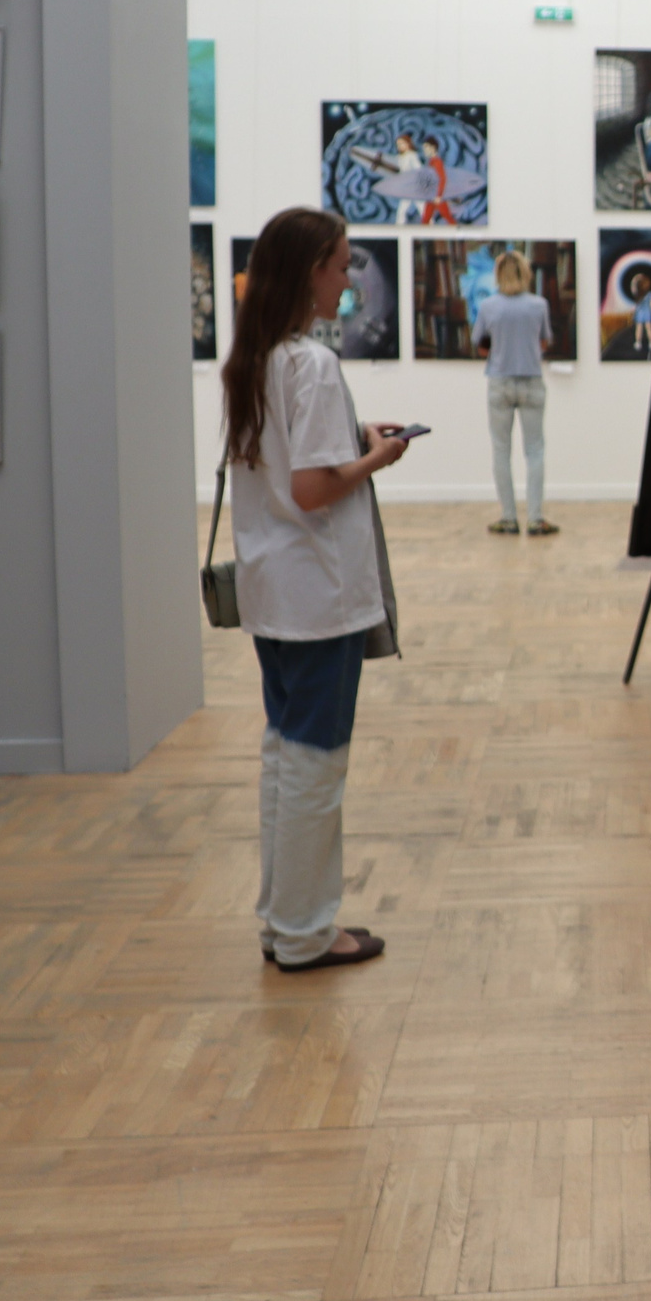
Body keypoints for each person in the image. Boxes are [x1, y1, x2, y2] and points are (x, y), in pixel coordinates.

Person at [220, 206, 412, 973]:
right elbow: (311, 488)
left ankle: (282, 919)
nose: (347, 279)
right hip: (318, 598)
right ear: (310, 271)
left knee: (283, 754)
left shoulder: (256, 357)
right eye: (341, 265)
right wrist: (381, 457)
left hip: (274, 595)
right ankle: (305, 931)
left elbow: (288, 469)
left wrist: (357, 443)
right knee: (315, 765)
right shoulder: (313, 363)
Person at [475, 248, 555, 536]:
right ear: (525, 272)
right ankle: (535, 519)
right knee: (535, 451)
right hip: (532, 381)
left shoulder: (489, 306)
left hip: (500, 382)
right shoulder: (538, 305)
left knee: (501, 450)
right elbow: (544, 342)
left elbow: (482, 346)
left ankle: (508, 518)